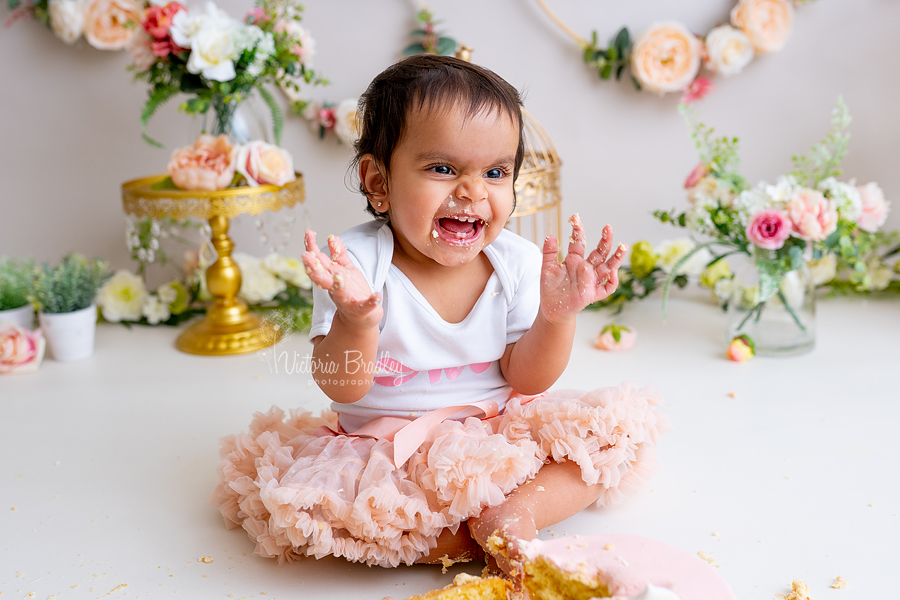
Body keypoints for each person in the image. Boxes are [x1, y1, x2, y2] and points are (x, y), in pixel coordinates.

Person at [212, 54, 664, 582]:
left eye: (496, 172)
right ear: (378, 182)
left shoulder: (515, 262)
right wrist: (358, 320)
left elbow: (526, 379)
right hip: (388, 450)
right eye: (443, 168)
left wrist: (557, 318)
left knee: (614, 441)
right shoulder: (355, 267)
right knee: (341, 522)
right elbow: (344, 386)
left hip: (497, 432)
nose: (473, 191)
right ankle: (464, 529)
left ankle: (514, 512)